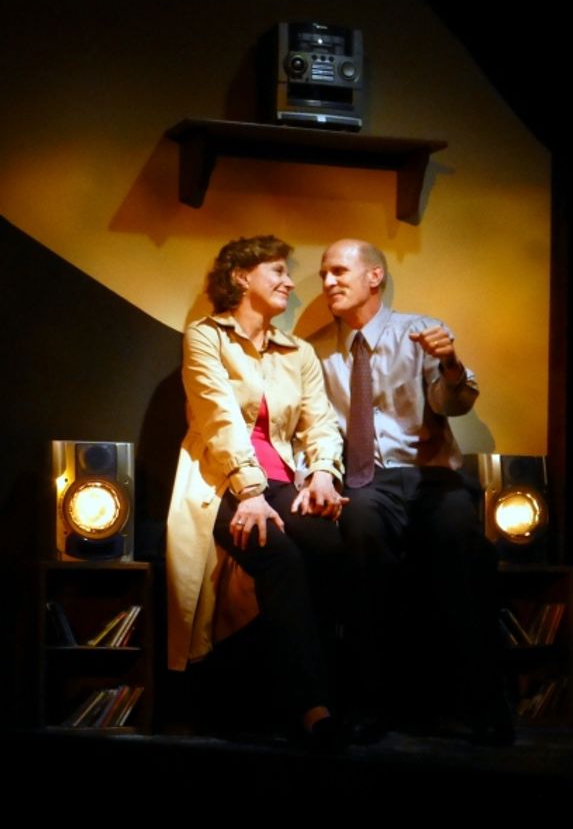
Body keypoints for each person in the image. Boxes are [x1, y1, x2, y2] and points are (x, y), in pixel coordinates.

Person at [309, 238, 513, 745]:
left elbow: (452, 403)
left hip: (428, 475)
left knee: (462, 544)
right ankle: (371, 704)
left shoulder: (421, 333)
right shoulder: (313, 350)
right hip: (365, 478)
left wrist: (449, 364)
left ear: (373, 277)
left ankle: (485, 705)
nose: (328, 282)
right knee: (359, 539)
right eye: (323, 274)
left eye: (339, 271)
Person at [166, 234, 348, 746]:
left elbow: (320, 424)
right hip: (222, 481)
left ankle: (339, 691)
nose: (290, 281)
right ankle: (313, 707)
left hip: (283, 479)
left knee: (332, 547)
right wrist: (248, 491)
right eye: (278, 271)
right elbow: (218, 416)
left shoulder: (300, 351)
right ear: (241, 278)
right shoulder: (205, 337)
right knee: (281, 557)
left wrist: (322, 475)